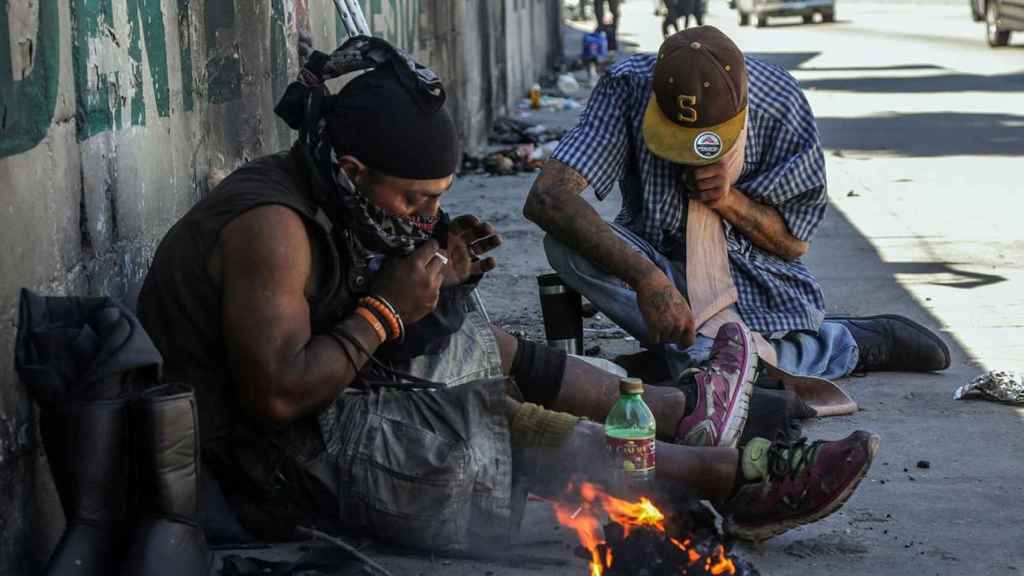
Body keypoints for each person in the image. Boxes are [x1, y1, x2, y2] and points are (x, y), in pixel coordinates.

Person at [137, 37, 878, 550]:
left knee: (471, 336)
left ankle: (679, 413)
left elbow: (367, 314)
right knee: (486, 423)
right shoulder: (271, 228)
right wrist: (387, 309)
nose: (425, 216)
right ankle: (730, 484)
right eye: (412, 200)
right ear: (354, 171)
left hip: (316, 419)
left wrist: (438, 275)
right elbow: (274, 397)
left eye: (438, 200)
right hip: (258, 472)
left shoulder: (328, 188)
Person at [524, 27, 950, 405]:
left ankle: (839, 344)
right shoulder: (627, 86)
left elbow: (793, 243)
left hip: (753, 280)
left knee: (703, 375)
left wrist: (729, 200)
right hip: (658, 267)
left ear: (742, 108)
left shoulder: (780, 102)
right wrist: (646, 278)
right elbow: (547, 197)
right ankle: (707, 364)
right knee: (563, 242)